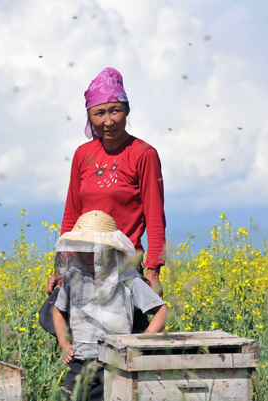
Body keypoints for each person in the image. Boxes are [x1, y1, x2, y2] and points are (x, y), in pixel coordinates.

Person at [47, 67, 166, 327]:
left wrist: (153, 270)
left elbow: (154, 216)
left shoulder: (144, 154)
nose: (108, 121)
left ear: (127, 111)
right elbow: (72, 213)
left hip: (124, 268)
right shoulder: (82, 154)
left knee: (123, 348)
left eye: (115, 111)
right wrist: (61, 267)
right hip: (84, 267)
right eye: (99, 113)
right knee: (83, 350)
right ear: (89, 116)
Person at [52, 210, 167, 400]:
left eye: (93, 249)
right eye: (83, 248)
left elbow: (162, 311)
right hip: (80, 361)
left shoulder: (127, 278)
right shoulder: (73, 278)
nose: (87, 254)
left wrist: (142, 341)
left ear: (110, 250)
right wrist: (64, 343)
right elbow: (57, 311)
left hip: (116, 364)